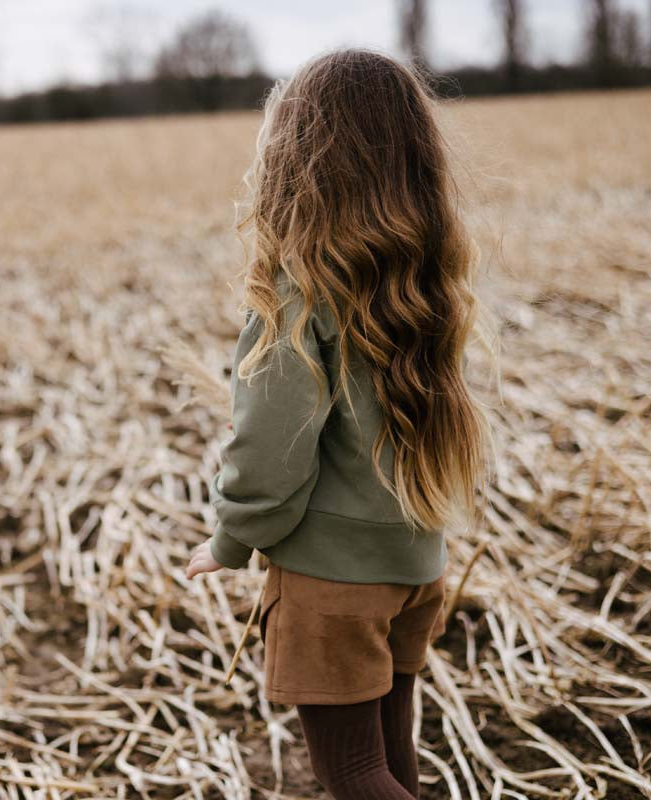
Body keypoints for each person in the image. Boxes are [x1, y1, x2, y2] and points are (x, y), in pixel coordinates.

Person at [185, 49, 491, 800]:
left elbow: (272, 448)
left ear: (295, 160)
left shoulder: (297, 294)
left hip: (332, 582)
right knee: (391, 756)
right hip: (413, 566)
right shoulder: (425, 276)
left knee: (354, 776)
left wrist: (232, 538)